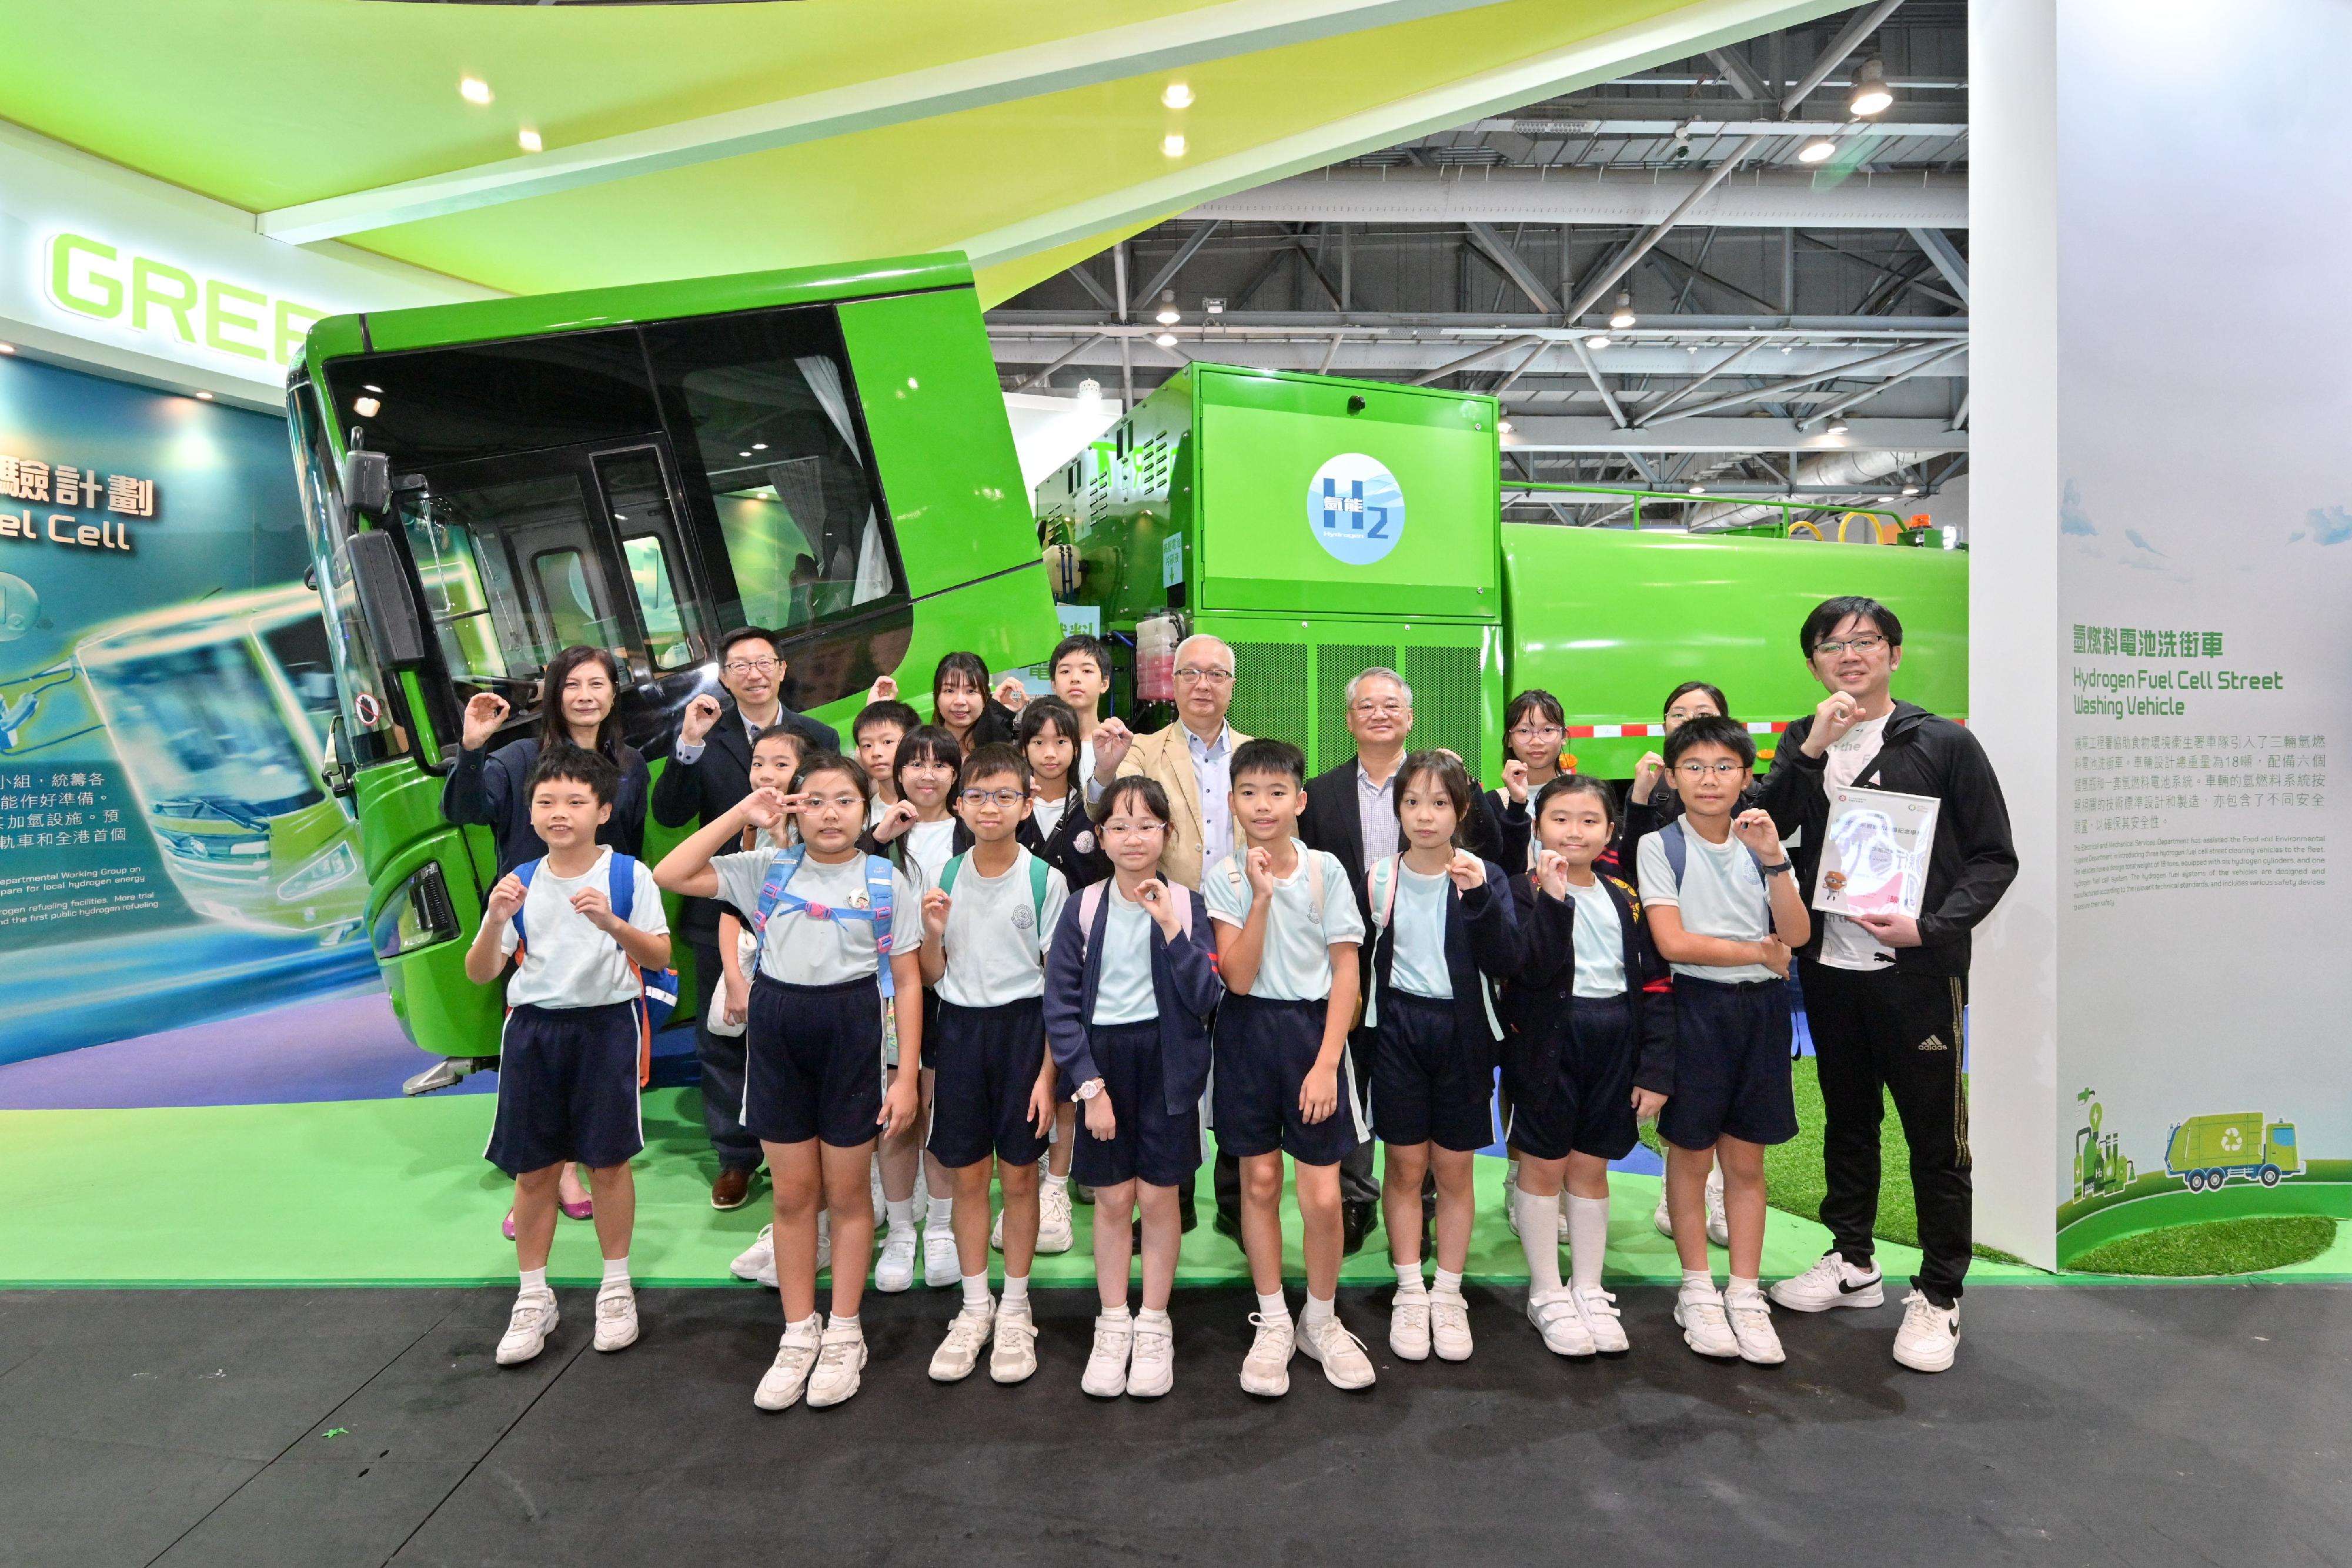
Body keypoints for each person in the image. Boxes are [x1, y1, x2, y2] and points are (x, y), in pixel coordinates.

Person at [1758, 596, 2017, 1374]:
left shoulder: (1940, 742)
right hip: (1829, 972)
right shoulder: (1801, 744)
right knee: (1848, 1122)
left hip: (1915, 974)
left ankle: (1940, 1291)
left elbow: (1993, 857)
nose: (1849, 654)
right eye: (1831, 644)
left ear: (1894, 654)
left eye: (1865, 641)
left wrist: (1931, 927)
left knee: (1937, 1140)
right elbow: (1762, 828)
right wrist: (1809, 748)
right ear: (1813, 663)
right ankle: (1853, 1259)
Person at [654, 754, 926, 1412]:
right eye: (816, 801)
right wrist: (742, 815)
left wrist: (907, 1075)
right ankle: (799, 1332)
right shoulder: (765, 871)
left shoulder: (887, 882)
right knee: (793, 1197)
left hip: (851, 1036)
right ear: (795, 809)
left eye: (845, 801)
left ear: (867, 812)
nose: (830, 814)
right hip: (779, 1036)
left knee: (848, 1196)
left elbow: (909, 981)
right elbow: (671, 872)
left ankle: (844, 1331)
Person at [463, 748, 670, 1367]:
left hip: (607, 1027)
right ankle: (533, 1297)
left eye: (576, 801)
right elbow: (481, 973)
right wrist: (494, 918)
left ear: (603, 810)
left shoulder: (629, 875)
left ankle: (615, 1288)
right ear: (529, 813)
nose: (560, 813)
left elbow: (658, 956)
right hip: (533, 1032)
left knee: (608, 1163)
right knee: (535, 1171)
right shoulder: (519, 882)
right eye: (546, 802)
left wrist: (612, 925)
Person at [445, 644, 651, 1229]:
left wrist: (627, 922)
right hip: (534, 925)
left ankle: (584, 1161)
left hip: (599, 923)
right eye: (573, 685)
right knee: (540, 1050)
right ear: (555, 695)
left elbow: (631, 844)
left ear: (614, 693)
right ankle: (549, 1171)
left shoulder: (630, 764)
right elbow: (468, 809)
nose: (585, 696)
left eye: (597, 684)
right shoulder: (516, 758)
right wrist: (472, 749)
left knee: (595, 1054)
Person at [1636, 715, 1810, 1367]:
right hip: (1695, 1009)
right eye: (1694, 768)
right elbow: (1672, 943)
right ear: (1674, 777)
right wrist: (1753, 952)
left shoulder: (1764, 840)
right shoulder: (1661, 845)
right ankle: (1696, 1290)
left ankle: (1743, 1291)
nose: (1709, 780)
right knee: (1689, 1156)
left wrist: (1773, 859)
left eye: (1724, 767)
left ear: (1746, 774)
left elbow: (1794, 934)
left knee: (1746, 1162)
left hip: (1760, 1014)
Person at [1205, 738, 1374, 1396]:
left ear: (1299, 800)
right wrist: (1260, 897)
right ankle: (1274, 1318)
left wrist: (1328, 1062)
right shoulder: (1222, 877)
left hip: (1314, 1035)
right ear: (1232, 802)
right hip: (1249, 1036)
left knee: (1324, 1195)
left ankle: (1322, 1319)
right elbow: (1238, 980)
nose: (1262, 805)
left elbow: (1346, 972)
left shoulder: (1326, 869)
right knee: (1258, 1184)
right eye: (1249, 793)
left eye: (1277, 792)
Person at [651, 627, 841, 1212]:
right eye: (740, 665)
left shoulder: (820, 735)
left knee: (808, 1038)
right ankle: (736, 1158)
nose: (753, 673)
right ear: (725, 677)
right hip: (724, 908)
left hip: (805, 912)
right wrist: (686, 746)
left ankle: (817, 1154)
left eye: (764, 662)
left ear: (782, 669)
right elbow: (670, 811)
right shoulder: (706, 732)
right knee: (723, 1035)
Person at [1045, 777, 1222, 1399]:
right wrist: (1088, 1086)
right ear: (1099, 837)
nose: (1132, 838)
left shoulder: (1188, 904)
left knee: (1159, 1200)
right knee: (1114, 1202)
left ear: (1166, 835)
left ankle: (1153, 1323)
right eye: (1118, 826)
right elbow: (1061, 1006)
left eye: (1147, 825)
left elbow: (1205, 997)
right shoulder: (1083, 905)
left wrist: (1172, 927)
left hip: (1168, 1062)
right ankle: (1113, 1320)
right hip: (1103, 1067)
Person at [1498, 775, 1674, 1359]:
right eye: (1560, 819)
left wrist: (1652, 1068)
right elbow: (1525, 970)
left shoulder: (1625, 896)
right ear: (1537, 824)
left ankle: (1589, 1289)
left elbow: (1652, 985)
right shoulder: (1520, 893)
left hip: (1613, 1042)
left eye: (1589, 821)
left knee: (1590, 1169)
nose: (1574, 832)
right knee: (1543, 1166)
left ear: (1609, 830)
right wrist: (1551, 898)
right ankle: (1546, 1291)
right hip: (1549, 1043)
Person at [916, 743, 1069, 1386]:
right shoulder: (945, 877)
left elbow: (1059, 989)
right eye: (977, 796)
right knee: (967, 1178)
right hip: (960, 1036)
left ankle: (1015, 1305)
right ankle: (974, 1307)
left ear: (1026, 805)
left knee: (1022, 1178)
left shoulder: (1044, 880)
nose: (990, 807)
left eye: (1005, 796)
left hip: (1023, 1035)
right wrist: (928, 932)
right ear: (959, 804)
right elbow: (932, 975)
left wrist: (1045, 1074)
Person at [1361, 750, 1519, 1365]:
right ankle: (1409, 1288)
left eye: (1439, 804)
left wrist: (1478, 897)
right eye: (1411, 802)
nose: (1424, 816)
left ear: (1460, 811)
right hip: (1397, 1030)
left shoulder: (1485, 875)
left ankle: (1448, 1292)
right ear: (1396, 808)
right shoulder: (1379, 876)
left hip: (1461, 1034)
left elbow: (1507, 959)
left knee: (1453, 1171)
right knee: (1402, 1167)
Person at [1293, 666, 1421, 1253]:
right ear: (1349, 721)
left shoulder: (1435, 783)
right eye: (1366, 706)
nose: (1379, 714)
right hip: (1343, 951)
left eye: (1390, 705)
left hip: (1417, 954)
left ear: (1409, 718)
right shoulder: (1318, 795)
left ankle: (1418, 1198)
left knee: (1412, 1073)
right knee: (1350, 1070)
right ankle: (1354, 1194)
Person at [1622, 680, 1739, 1251]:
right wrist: (1640, 798)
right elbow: (1630, 869)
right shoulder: (1654, 791)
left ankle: (1713, 1188)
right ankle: (1679, 1191)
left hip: (1734, 977)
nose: (1687, 720)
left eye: (1702, 713)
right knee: (1679, 1082)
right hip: (1668, 964)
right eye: (1676, 713)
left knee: (1727, 1095)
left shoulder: (1741, 802)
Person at [999, 695, 1110, 1256]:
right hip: (1015, 965)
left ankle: (1057, 1185)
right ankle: (1023, 1181)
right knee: (1025, 1073)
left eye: (1060, 742)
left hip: (1079, 963)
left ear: (1076, 748)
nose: (1048, 752)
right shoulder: (1007, 810)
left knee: (1066, 1072)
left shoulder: (1092, 812)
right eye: (1037, 742)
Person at [867, 724, 967, 1290]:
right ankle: (902, 1228)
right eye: (915, 763)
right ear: (897, 772)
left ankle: (943, 1227)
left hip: (952, 992)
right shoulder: (876, 834)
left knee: (944, 1109)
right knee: (899, 1113)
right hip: (886, 992)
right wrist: (879, 836)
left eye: (940, 764)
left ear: (956, 776)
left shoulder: (972, 833)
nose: (927, 773)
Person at [1101, 633, 1244, 893]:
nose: (1203, 685)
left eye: (1216, 675)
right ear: (1173, 683)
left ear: (1231, 686)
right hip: (1166, 908)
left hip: (1242, 911)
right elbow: (1109, 811)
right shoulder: (1142, 750)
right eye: (1190, 673)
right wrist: (1105, 771)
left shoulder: (1255, 756)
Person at [1481, 688, 1572, 875]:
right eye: (1524, 731)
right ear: (1509, 740)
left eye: (1547, 730)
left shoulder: (1584, 795)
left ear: (1564, 737)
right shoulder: (1494, 802)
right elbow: (1502, 870)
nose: (1536, 741)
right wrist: (1517, 804)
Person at [852, 698, 919, 831]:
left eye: (887, 742)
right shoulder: (861, 815)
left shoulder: (933, 805)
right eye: (867, 745)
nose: (876, 753)